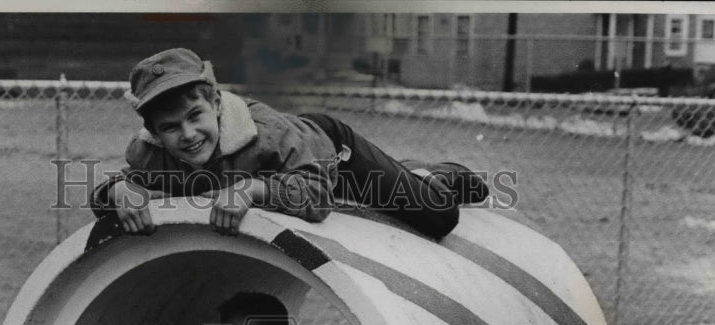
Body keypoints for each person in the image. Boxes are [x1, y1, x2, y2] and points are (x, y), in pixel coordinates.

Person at [87, 47, 487, 247]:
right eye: (170, 128)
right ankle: (402, 170)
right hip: (293, 170)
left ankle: (432, 174)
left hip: (331, 156)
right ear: (154, 132)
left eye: (195, 116)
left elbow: (316, 197)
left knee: (439, 218)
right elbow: (109, 192)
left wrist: (252, 188)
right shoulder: (151, 154)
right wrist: (119, 191)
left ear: (217, 103)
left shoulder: (265, 133)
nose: (187, 135)